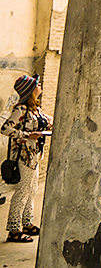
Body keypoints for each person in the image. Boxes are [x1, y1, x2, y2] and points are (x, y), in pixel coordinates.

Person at [1, 74, 52, 243]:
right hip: (23, 157)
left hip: (35, 155)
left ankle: (27, 223)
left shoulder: (35, 109)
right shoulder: (21, 109)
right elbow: (5, 129)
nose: (40, 85)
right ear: (30, 90)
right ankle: (14, 230)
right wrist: (27, 136)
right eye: (37, 84)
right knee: (23, 191)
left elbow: (47, 121)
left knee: (32, 190)